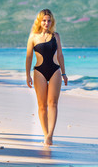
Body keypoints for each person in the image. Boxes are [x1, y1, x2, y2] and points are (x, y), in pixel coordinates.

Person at [25, 9, 68, 146]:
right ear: (39, 21)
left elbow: (60, 55)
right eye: (44, 20)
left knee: (53, 103)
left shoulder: (56, 36)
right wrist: (27, 75)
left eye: (49, 20)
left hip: (55, 70)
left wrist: (64, 73)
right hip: (39, 72)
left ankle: (50, 136)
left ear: (52, 21)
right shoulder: (33, 37)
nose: (46, 23)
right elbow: (29, 57)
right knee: (42, 105)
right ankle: (45, 133)